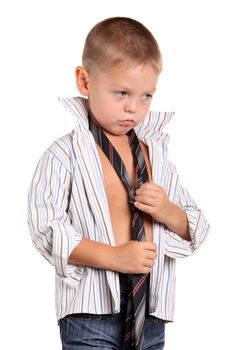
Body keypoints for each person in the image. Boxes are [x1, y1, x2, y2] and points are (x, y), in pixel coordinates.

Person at [27, 17, 209, 350]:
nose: (133, 108)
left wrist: (169, 211)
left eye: (146, 96)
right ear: (84, 80)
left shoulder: (156, 155)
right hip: (90, 314)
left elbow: (196, 226)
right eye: (122, 92)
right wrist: (114, 257)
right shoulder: (64, 155)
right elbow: (46, 231)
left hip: (150, 314)